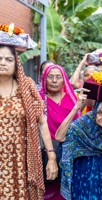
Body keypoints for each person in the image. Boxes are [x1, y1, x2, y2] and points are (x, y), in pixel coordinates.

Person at [0, 44, 58, 199]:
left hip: (21, 161)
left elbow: (42, 122)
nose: (3, 62)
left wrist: (51, 156)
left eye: (8, 59)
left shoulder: (26, 86)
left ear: (16, 63)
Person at [40, 64, 82, 199]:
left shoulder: (72, 98)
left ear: (64, 80)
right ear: (44, 79)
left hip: (71, 153)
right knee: (49, 190)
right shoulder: (38, 99)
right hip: (46, 152)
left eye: (58, 77)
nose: (54, 80)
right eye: (50, 77)